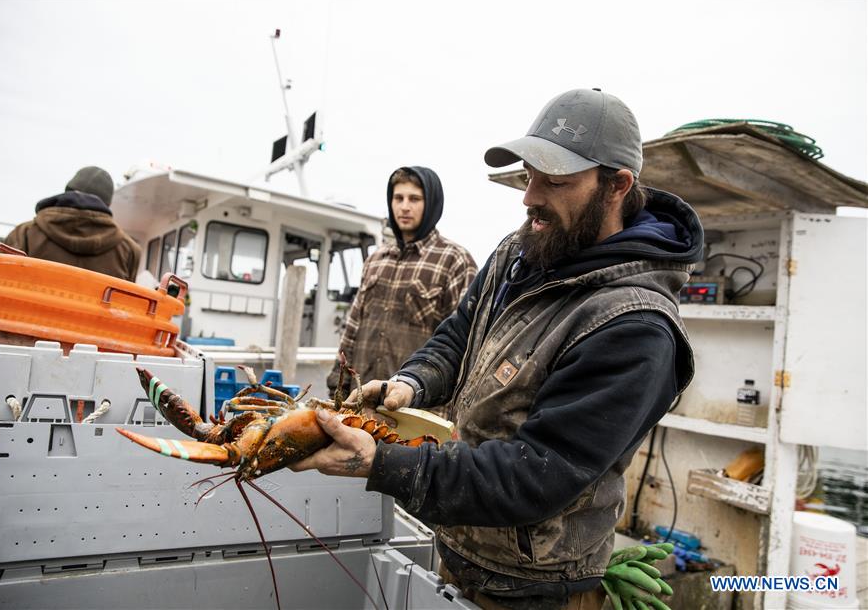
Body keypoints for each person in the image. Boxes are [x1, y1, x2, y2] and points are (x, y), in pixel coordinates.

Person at [293, 88, 703, 610]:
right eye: (529, 174)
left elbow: (537, 474)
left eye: (554, 181)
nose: (529, 196)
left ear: (617, 185)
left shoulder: (635, 326)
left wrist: (381, 463)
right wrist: (411, 381)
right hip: (462, 546)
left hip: (535, 587)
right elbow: (461, 331)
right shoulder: (522, 249)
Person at [327, 166, 477, 397]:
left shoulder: (455, 260)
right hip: (362, 399)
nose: (404, 206)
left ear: (432, 204)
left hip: (415, 408)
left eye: (414, 199)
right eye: (398, 198)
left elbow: (463, 343)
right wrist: (338, 385)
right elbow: (353, 328)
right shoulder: (376, 259)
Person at [4, 166, 141, 281]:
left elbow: (1, 287)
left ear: (67, 191)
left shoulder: (23, 233)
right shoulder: (129, 250)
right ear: (107, 204)